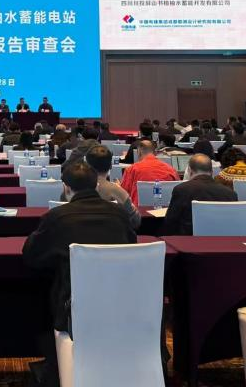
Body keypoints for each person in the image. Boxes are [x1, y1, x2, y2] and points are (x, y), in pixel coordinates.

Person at [23, 162, 136, 384]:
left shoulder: (57, 217)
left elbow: (32, 257)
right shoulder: (120, 215)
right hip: (123, 304)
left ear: (66, 188)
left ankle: (54, 367)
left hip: (75, 309)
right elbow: (131, 249)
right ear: (97, 185)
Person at [162, 154, 238, 235]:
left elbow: (170, 222)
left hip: (188, 240)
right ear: (212, 171)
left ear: (189, 171)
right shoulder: (230, 194)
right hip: (223, 240)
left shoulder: (181, 190)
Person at [85, 144, 140, 229]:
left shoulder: (73, 189)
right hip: (114, 235)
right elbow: (135, 221)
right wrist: (121, 191)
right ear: (111, 166)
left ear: (86, 166)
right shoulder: (118, 192)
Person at [120, 140, 179, 205]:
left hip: (138, 210)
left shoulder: (131, 169)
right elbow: (178, 191)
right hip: (166, 210)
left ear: (139, 152)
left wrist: (118, 187)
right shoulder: (171, 170)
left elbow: (123, 195)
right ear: (155, 153)